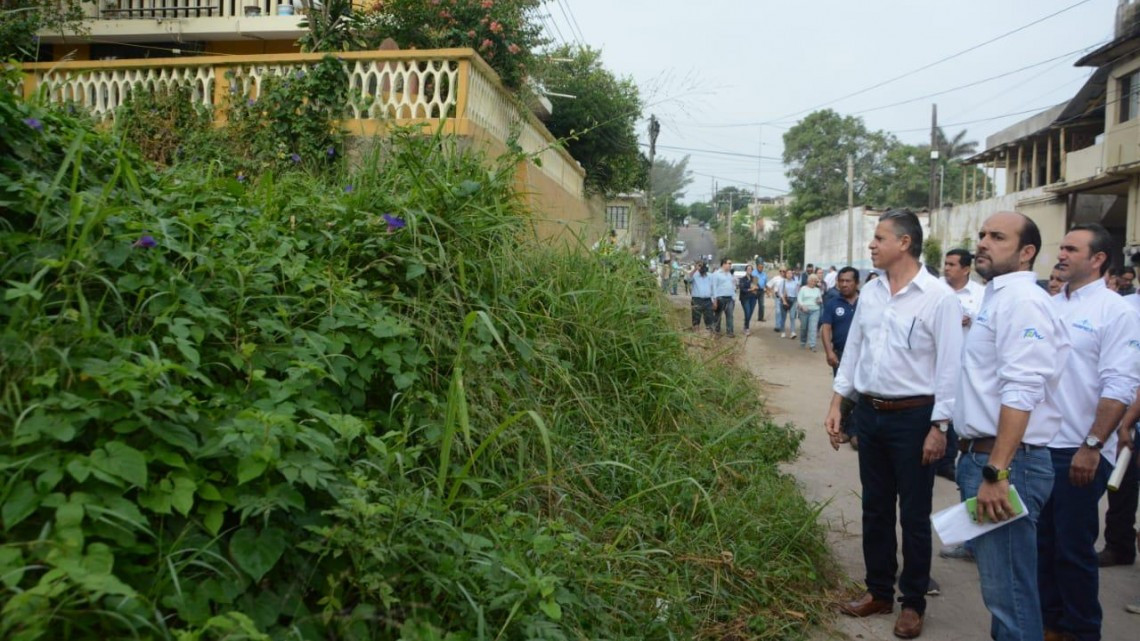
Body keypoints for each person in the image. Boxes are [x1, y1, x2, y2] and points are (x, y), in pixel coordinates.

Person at [825, 209, 963, 639]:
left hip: (915, 418)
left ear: (904, 243)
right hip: (871, 413)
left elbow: (950, 367)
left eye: (880, 237)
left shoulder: (938, 297)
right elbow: (855, 352)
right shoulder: (872, 291)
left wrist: (939, 427)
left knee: (915, 514)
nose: (872, 244)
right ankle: (879, 591)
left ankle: (913, 602)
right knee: (875, 507)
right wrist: (838, 402)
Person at [952, 211, 1069, 641]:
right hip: (987, 458)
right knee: (1002, 593)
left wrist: (996, 472)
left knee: (1011, 597)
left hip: (1007, 465)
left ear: (1026, 252)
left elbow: (1021, 390)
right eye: (982, 234)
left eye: (997, 237)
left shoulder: (1023, 301)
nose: (983, 242)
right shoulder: (997, 296)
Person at [1040, 223, 1140, 641]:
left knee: (1072, 550)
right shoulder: (1049, 305)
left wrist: (1093, 445)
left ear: (1098, 259)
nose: (1060, 254)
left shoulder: (1115, 311)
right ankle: (1051, 625)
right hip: (1039, 447)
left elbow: (1119, 386)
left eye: (1071, 249)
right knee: (1042, 546)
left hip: (1079, 451)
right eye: (1061, 247)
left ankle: (1082, 631)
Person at [935, 249, 986, 482]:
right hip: (935, 362)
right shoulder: (935, 289)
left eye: (952, 264)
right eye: (945, 264)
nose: (946, 268)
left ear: (966, 269)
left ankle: (947, 460)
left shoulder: (980, 294)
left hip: (966, 365)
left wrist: (970, 319)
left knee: (956, 413)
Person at [821, 267, 860, 445]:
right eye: (841, 281)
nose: (844, 284)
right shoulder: (833, 303)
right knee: (844, 393)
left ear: (857, 283)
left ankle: (854, 432)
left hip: (863, 357)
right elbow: (826, 328)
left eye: (848, 281)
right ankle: (843, 428)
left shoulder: (866, 302)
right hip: (840, 355)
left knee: (860, 394)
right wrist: (829, 352)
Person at [797, 274, 823, 351]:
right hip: (804, 310)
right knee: (804, 328)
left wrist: (819, 301)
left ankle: (812, 345)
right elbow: (799, 299)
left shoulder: (817, 290)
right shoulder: (803, 289)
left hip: (815, 310)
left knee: (813, 328)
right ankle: (803, 341)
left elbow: (820, 299)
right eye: (812, 281)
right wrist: (802, 306)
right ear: (808, 281)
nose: (813, 282)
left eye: (815, 281)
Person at [711, 258, 736, 337]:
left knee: (730, 315)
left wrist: (733, 297)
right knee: (718, 316)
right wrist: (714, 300)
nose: (730, 265)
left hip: (730, 298)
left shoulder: (729, 274)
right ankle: (716, 331)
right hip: (720, 298)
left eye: (731, 263)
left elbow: (732, 286)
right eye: (729, 263)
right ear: (724, 264)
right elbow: (713, 287)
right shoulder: (716, 274)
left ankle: (730, 332)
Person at [689, 261, 715, 332]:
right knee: (696, 317)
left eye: (703, 266)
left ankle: (709, 333)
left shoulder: (710, 276)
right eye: (700, 266)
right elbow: (686, 279)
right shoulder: (694, 275)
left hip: (708, 300)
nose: (701, 268)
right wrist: (695, 269)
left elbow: (713, 288)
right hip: (696, 300)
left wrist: (714, 300)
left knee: (709, 317)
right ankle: (696, 333)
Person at [738, 266, 759, 336]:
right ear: (746, 270)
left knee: (750, 313)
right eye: (748, 269)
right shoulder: (742, 279)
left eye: (751, 269)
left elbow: (757, 287)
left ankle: (745, 325)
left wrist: (756, 288)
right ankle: (747, 328)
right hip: (745, 298)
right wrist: (751, 289)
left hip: (753, 298)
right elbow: (742, 289)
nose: (749, 270)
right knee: (747, 312)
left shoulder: (755, 278)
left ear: (752, 270)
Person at [782, 270, 801, 339]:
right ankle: (783, 331)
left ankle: (792, 332)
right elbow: (780, 292)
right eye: (788, 273)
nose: (789, 274)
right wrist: (784, 301)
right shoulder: (783, 282)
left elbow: (797, 292)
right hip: (785, 300)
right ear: (785, 274)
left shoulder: (795, 282)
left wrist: (798, 301)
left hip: (793, 300)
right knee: (783, 317)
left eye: (791, 273)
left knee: (792, 316)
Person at [770, 268, 787, 333]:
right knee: (778, 311)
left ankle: (782, 325)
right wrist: (771, 292)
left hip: (786, 298)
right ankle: (777, 326)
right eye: (780, 271)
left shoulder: (787, 279)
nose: (782, 272)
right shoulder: (775, 278)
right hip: (778, 297)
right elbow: (769, 285)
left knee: (783, 312)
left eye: (784, 271)